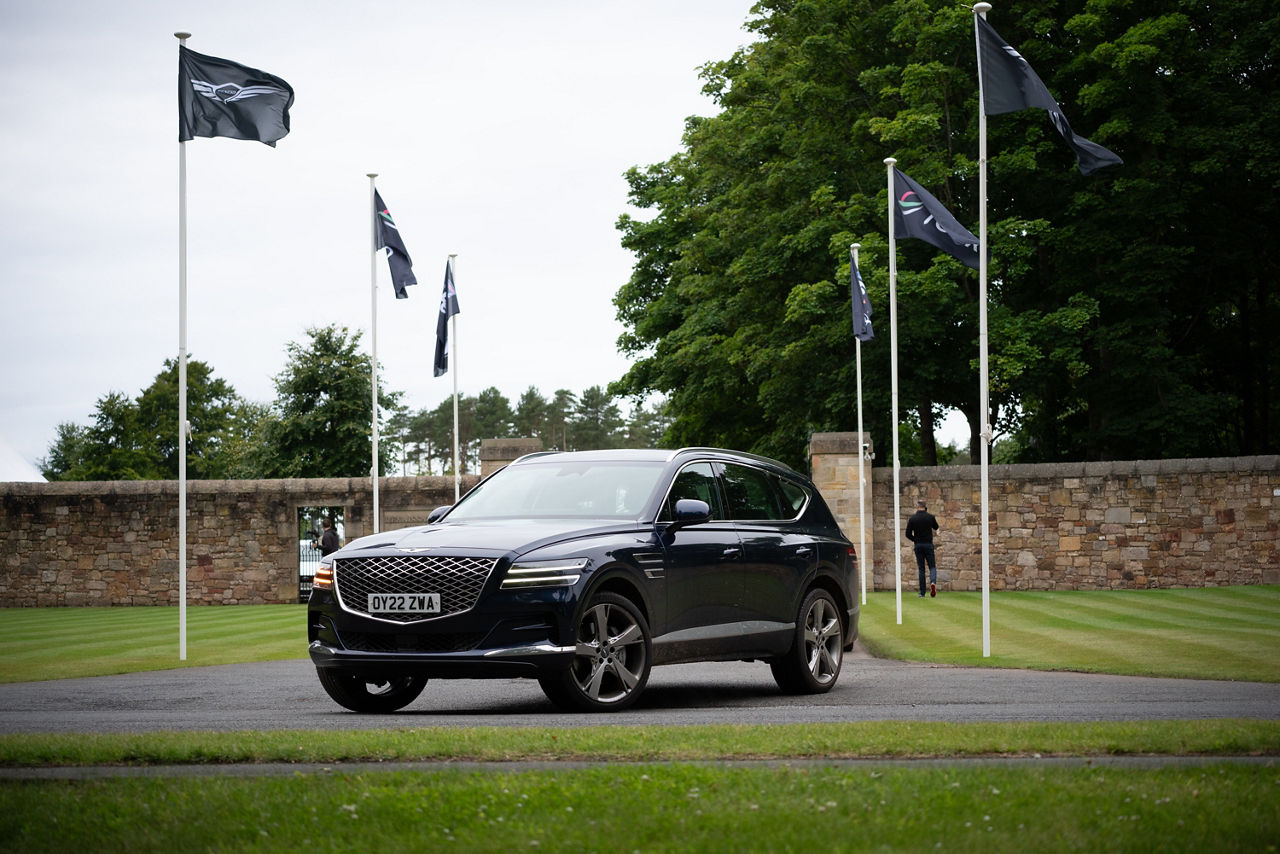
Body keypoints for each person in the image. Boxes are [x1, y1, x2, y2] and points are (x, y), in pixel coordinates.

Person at [905, 499, 940, 598]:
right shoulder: (930, 517)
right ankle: (933, 582)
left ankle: (922, 592)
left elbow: (907, 534)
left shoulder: (913, 519)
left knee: (921, 569)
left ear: (917, 506)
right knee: (932, 566)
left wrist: (915, 539)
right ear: (925, 507)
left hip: (918, 545)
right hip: (928, 544)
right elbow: (937, 527)